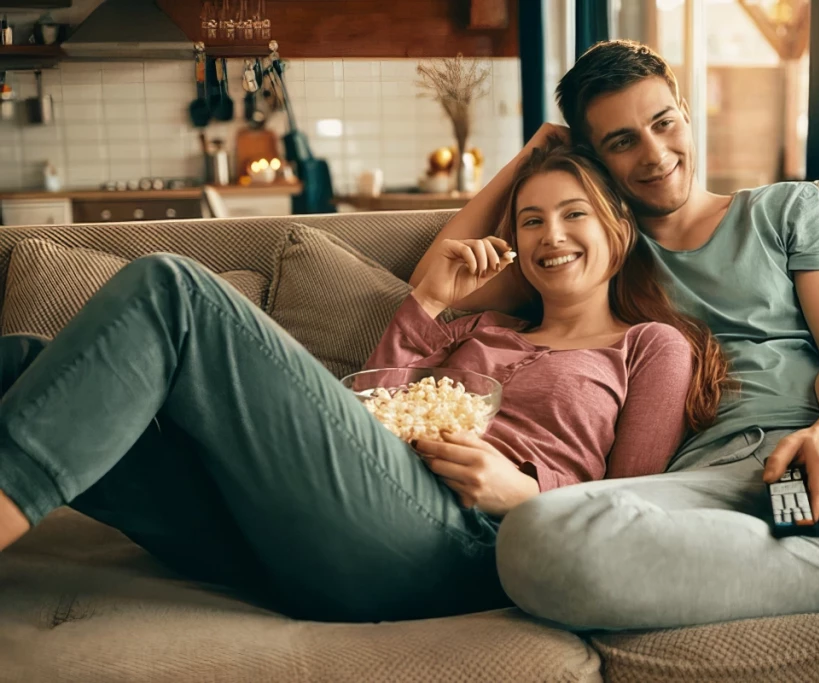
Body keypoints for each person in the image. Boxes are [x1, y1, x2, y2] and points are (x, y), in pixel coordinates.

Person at [411, 40, 819, 630]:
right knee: (537, 541)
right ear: (596, 160)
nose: (654, 154)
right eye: (622, 142)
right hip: (699, 485)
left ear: (685, 111)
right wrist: (537, 157)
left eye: (664, 122)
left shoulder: (786, 209)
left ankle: (791, 559)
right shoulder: (595, 247)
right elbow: (442, 285)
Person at [0, 144, 727, 623]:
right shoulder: (479, 330)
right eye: (531, 220)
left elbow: (637, 509)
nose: (549, 235)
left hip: (456, 546)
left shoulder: (650, 346)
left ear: (619, 233)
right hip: (314, 529)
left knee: (172, 288)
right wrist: (431, 301)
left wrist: (527, 498)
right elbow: (373, 401)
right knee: (21, 359)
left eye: (574, 215)